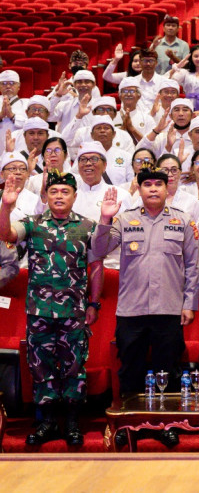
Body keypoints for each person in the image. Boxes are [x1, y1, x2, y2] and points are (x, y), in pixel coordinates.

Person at [94, 167, 199, 448]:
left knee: (168, 369)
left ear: (167, 189)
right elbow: (98, 250)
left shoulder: (183, 220)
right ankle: (130, 424)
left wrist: (189, 304)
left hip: (168, 308)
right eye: (147, 185)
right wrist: (105, 219)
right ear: (139, 189)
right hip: (132, 310)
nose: (153, 189)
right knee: (131, 369)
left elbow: (193, 266)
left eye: (158, 184)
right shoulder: (125, 220)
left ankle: (167, 424)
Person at [0, 171, 100, 446]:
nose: (59, 196)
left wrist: (94, 303)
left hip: (74, 312)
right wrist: (6, 205)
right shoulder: (33, 224)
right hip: (39, 311)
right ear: (45, 196)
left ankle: (71, 423)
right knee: (40, 367)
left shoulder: (87, 227)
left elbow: (96, 267)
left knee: (74, 367)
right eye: (53, 191)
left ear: (74, 196)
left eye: (64, 192)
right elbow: (5, 233)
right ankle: (45, 422)